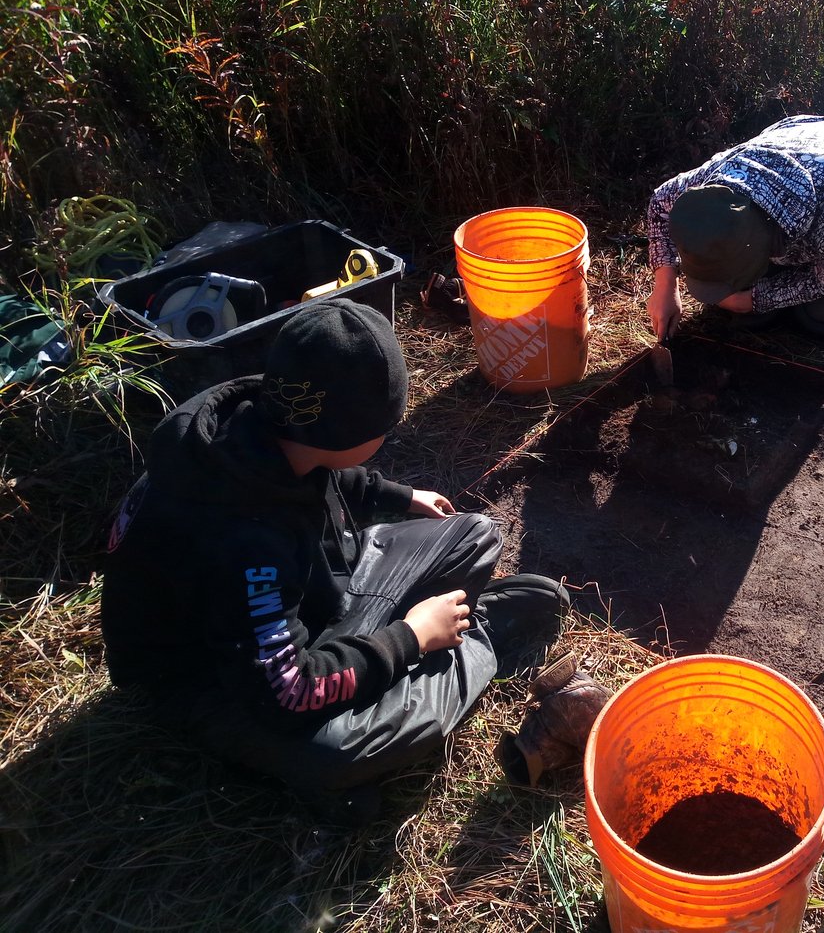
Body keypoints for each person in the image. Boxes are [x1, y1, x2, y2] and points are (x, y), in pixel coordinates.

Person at [102, 299, 570, 823]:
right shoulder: (247, 542)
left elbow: (323, 469)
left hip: (304, 603)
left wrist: (397, 494)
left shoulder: (262, 426)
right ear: (346, 433)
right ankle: (477, 634)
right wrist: (411, 637)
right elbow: (288, 691)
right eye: (386, 424)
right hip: (222, 686)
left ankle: (415, 642)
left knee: (476, 534)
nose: (391, 431)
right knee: (342, 751)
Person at [645, 114, 824, 351]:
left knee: (823, 318)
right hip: (800, 136)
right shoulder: (714, 182)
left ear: (765, 247)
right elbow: (660, 203)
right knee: (746, 315)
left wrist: (756, 300)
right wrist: (666, 287)